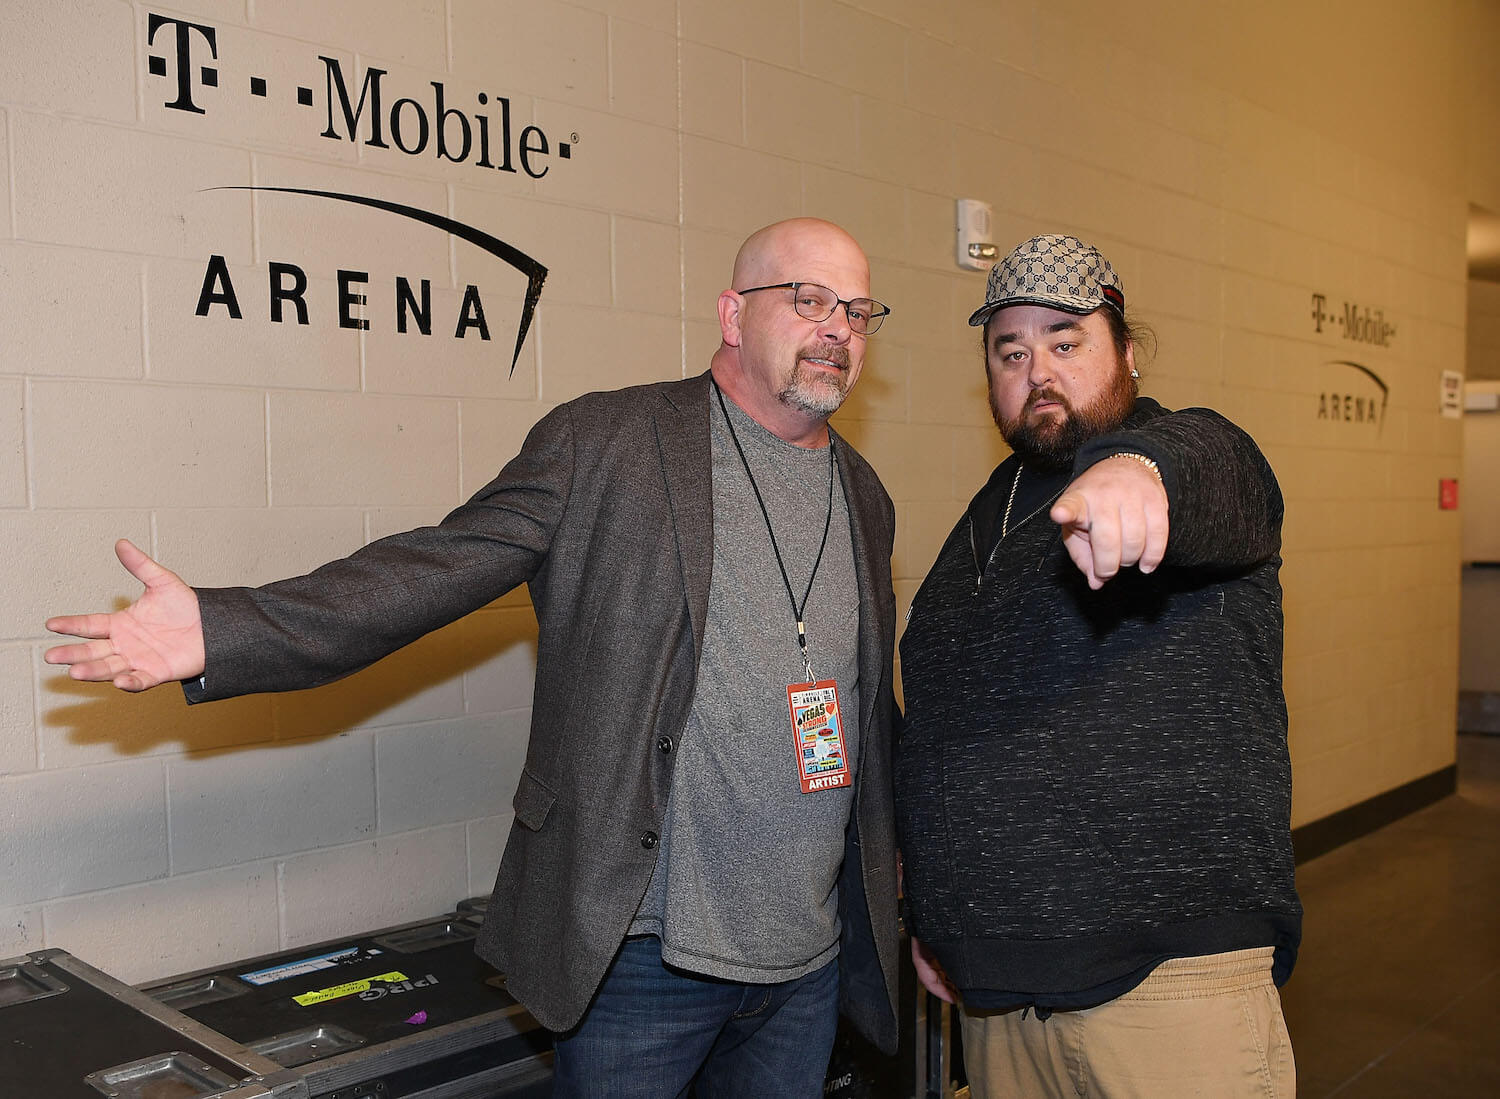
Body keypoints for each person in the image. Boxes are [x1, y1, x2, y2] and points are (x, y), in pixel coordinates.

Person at [45, 217, 902, 1098]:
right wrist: (223, 631)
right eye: (808, 299)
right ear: (733, 313)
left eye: (858, 310)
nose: (838, 327)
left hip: (806, 961)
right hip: (640, 957)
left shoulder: (863, 494)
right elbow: (433, 569)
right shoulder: (608, 443)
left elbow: (868, 709)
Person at [895, 234, 1301, 1098]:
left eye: (1065, 340)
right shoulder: (985, 516)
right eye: (1011, 350)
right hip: (1000, 1000)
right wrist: (939, 911)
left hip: (1165, 986)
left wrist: (1140, 476)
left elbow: (1227, 476)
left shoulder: (1175, 455)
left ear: (1126, 349)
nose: (1036, 367)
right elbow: (942, 725)